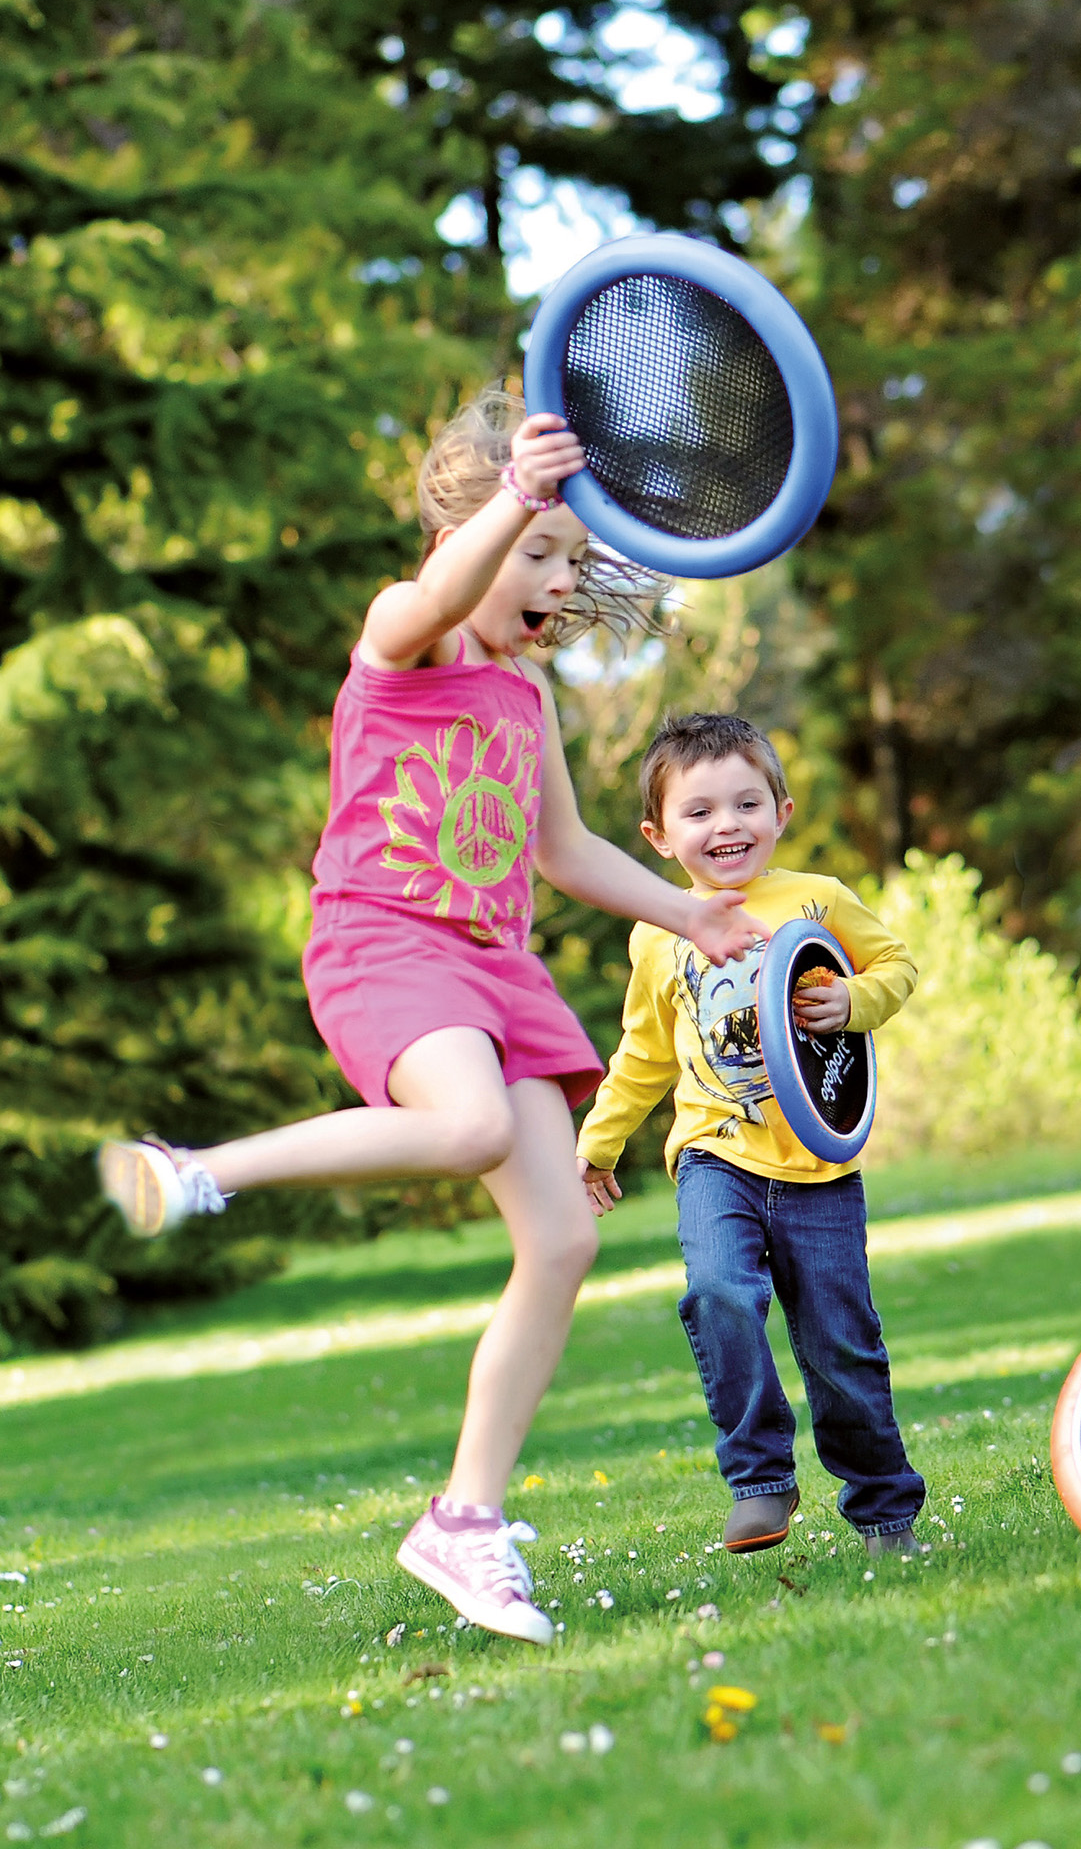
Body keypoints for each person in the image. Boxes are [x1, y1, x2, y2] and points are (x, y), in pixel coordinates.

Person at [96, 387, 766, 1643]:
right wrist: (516, 495)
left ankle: (464, 1519)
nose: (559, 582)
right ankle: (198, 1172)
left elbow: (564, 849)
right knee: (466, 1126)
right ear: (469, 534)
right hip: (383, 941)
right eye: (538, 551)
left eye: (571, 559)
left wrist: (694, 913)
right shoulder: (401, 640)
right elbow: (432, 595)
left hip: (492, 966)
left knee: (559, 1241)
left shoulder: (526, 694)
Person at [576, 711, 926, 1556]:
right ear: (659, 836)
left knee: (841, 1345)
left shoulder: (817, 898)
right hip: (715, 1157)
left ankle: (886, 1515)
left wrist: (854, 1001)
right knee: (719, 1293)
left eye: (746, 804)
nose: (726, 825)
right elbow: (645, 1053)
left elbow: (897, 965)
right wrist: (598, 1143)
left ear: (781, 812)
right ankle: (761, 1481)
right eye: (699, 812)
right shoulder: (658, 931)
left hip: (818, 1165)